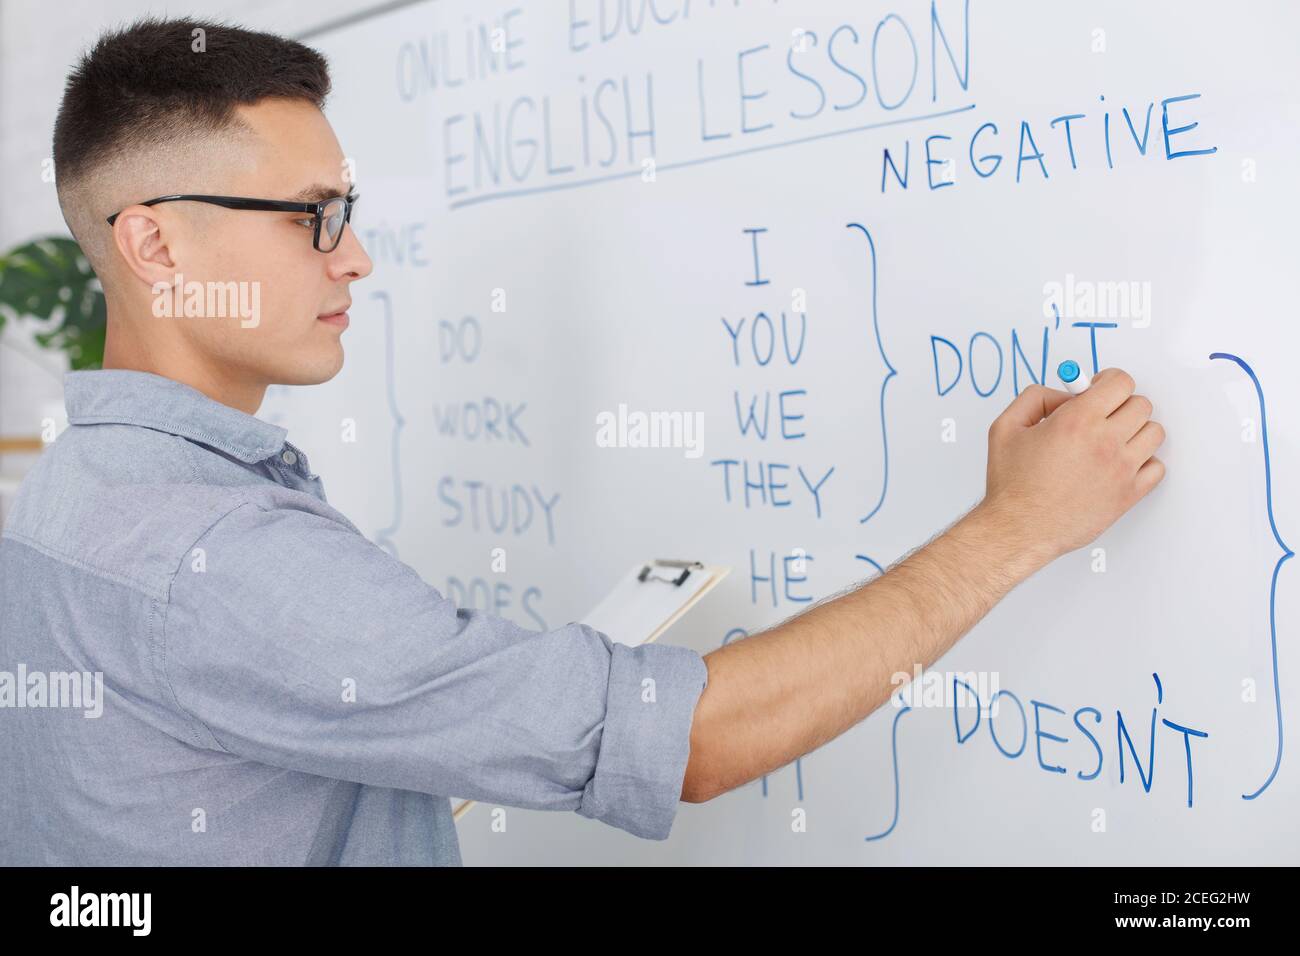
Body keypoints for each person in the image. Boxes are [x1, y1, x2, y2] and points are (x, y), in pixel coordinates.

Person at [0, 18, 1165, 865]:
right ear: (154, 247)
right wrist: (1019, 526)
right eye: (317, 217)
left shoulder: (75, 495)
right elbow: (695, 741)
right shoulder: (216, 554)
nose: (355, 258)